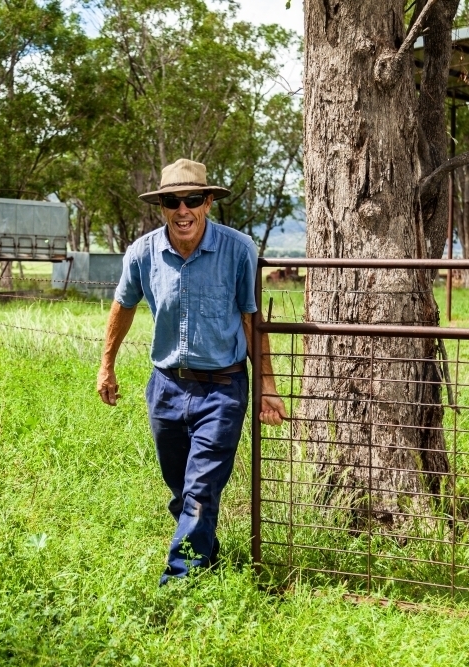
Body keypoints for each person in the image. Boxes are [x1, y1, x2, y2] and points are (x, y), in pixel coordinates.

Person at [97, 158, 286, 585]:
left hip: (223, 388)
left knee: (201, 490)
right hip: (164, 388)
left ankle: (179, 582)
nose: (183, 210)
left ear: (208, 203)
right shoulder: (142, 253)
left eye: (192, 200)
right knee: (182, 491)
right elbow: (122, 307)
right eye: (172, 201)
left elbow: (251, 320)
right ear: (161, 206)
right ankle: (208, 556)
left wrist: (267, 387)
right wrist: (106, 366)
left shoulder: (238, 250)